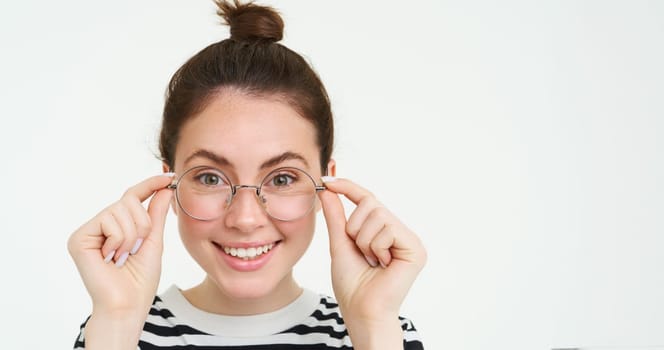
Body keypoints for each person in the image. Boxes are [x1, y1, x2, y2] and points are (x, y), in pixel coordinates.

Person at [67, 1, 427, 349]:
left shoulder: (382, 329)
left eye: (283, 178)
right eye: (209, 178)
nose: (245, 218)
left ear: (325, 185)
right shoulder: (113, 328)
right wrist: (116, 323)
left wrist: (373, 326)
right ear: (170, 185)